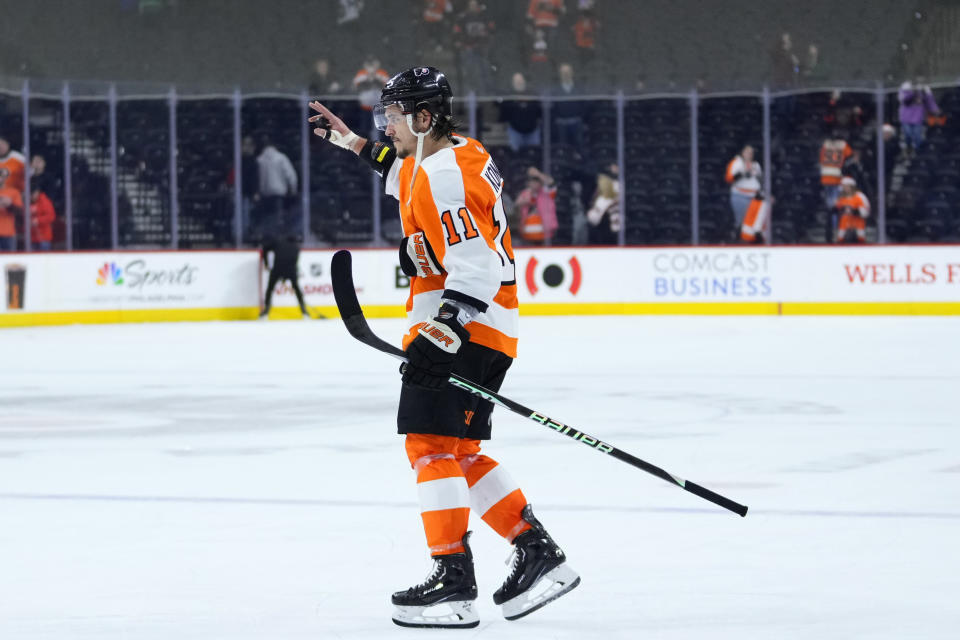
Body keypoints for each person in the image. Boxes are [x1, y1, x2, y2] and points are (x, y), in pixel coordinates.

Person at [308, 66, 579, 629]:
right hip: (490, 327)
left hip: (467, 327)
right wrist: (353, 143)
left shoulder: (445, 175)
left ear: (423, 117)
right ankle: (537, 553)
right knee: (460, 453)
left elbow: (476, 263)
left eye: (392, 116)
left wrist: (446, 328)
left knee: (428, 448)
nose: (385, 126)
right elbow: (403, 173)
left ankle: (453, 580)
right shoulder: (448, 156)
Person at [255, 135, 298, 240]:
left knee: (266, 217)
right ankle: (276, 237)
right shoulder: (281, 158)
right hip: (278, 192)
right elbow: (291, 175)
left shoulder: (260, 160)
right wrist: (293, 189)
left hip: (265, 193)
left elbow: (256, 178)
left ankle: (267, 237)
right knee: (277, 216)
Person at [260, 235, 311, 318]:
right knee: (297, 288)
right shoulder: (296, 248)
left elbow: (265, 248)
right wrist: (287, 276)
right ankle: (304, 311)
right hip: (290, 270)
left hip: (277, 269)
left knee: (270, 289)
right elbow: (295, 262)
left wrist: (266, 263)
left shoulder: (278, 243)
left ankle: (266, 312)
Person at [819, 133, 852, 241]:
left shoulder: (826, 144)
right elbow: (850, 156)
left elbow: (821, 159)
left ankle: (832, 227)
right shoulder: (843, 145)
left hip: (825, 176)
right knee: (835, 206)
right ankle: (835, 229)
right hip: (836, 177)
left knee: (830, 205)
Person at [725, 145, 762, 237]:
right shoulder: (736, 163)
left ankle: (749, 240)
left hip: (754, 197)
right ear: (742, 152)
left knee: (752, 223)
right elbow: (729, 178)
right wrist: (743, 172)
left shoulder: (756, 165)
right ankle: (739, 240)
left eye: (751, 152)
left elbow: (761, 180)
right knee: (741, 221)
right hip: (740, 195)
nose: (749, 154)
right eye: (747, 152)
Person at [515, 166, 558, 244]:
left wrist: (538, 174)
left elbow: (551, 183)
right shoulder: (525, 194)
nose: (534, 184)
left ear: (541, 183)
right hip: (526, 238)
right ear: (528, 183)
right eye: (532, 181)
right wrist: (522, 203)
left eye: (536, 181)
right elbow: (516, 208)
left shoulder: (547, 194)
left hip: (545, 237)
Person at [499, 72, 542, 151]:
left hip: (532, 130)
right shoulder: (509, 96)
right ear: (513, 83)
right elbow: (504, 111)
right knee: (516, 154)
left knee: (533, 154)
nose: (519, 83)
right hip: (515, 130)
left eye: (520, 80)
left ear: (524, 81)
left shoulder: (532, 94)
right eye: (516, 81)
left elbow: (539, 110)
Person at [898, 81, 940, 155]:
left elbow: (929, 101)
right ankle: (908, 148)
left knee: (917, 137)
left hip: (917, 119)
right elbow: (904, 99)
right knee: (908, 134)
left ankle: (918, 153)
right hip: (906, 118)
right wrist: (913, 92)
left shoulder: (923, 91)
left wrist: (935, 109)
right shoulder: (905, 88)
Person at [586, 163, 620, 245]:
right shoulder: (599, 200)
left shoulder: (617, 186)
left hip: (613, 241)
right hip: (598, 239)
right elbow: (591, 220)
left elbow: (617, 229)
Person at [834, 176, 870, 244]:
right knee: (840, 241)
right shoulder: (841, 198)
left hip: (858, 225)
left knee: (860, 242)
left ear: (852, 186)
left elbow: (866, 211)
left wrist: (855, 211)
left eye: (847, 186)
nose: (845, 188)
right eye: (844, 186)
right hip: (844, 225)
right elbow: (837, 210)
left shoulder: (860, 196)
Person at [29, 183, 56, 250]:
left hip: (44, 237)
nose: (31, 196)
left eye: (33, 194)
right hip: (31, 237)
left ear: (37, 192)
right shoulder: (27, 202)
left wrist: (38, 220)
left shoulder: (45, 202)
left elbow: (51, 216)